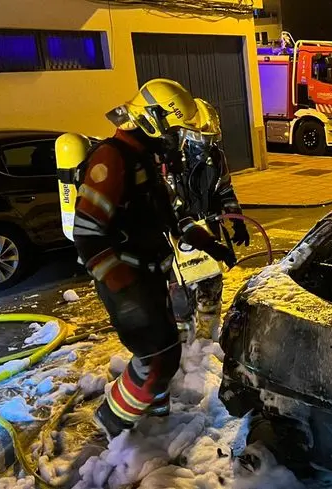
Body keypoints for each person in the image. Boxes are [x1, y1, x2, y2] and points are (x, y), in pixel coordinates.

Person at [73, 78, 235, 439]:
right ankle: (111, 423)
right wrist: (124, 289)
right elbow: (86, 234)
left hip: (151, 277)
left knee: (166, 351)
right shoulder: (112, 159)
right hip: (128, 280)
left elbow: (174, 219)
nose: (177, 141)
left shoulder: (144, 160)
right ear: (152, 121)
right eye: (176, 131)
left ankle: (155, 417)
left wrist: (212, 245)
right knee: (157, 356)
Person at [165, 98, 250, 342]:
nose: (207, 144)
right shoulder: (168, 164)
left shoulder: (216, 158)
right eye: (202, 138)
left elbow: (225, 190)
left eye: (211, 139)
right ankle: (181, 348)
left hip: (209, 229)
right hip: (178, 237)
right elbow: (169, 206)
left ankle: (206, 342)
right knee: (180, 293)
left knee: (211, 285)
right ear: (184, 135)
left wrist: (238, 221)